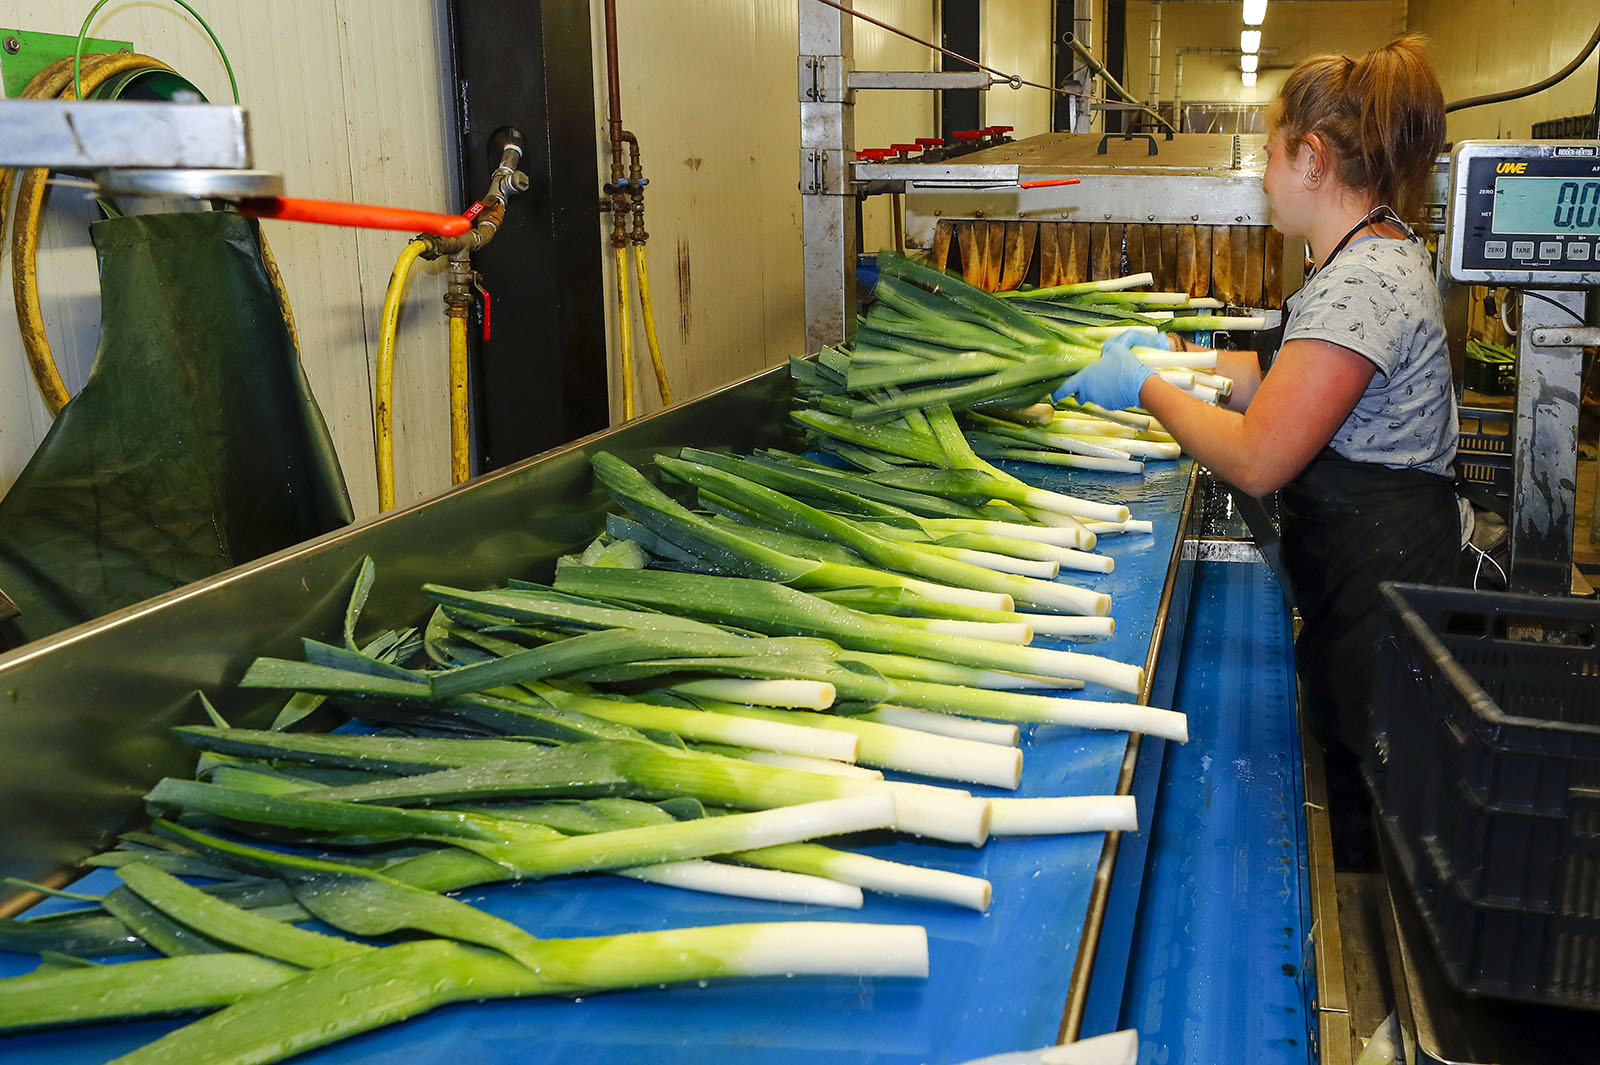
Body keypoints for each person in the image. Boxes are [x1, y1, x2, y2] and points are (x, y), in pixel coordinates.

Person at [1055, 34, 1460, 865]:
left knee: (1379, 819)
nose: (1263, 177)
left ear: (1312, 160)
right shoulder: (1366, 251)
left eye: (1269, 155)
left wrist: (1144, 389)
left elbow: (1256, 455)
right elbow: (1279, 374)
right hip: (1369, 576)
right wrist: (1175, 355)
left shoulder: (1362, 283)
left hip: (1380, 598)